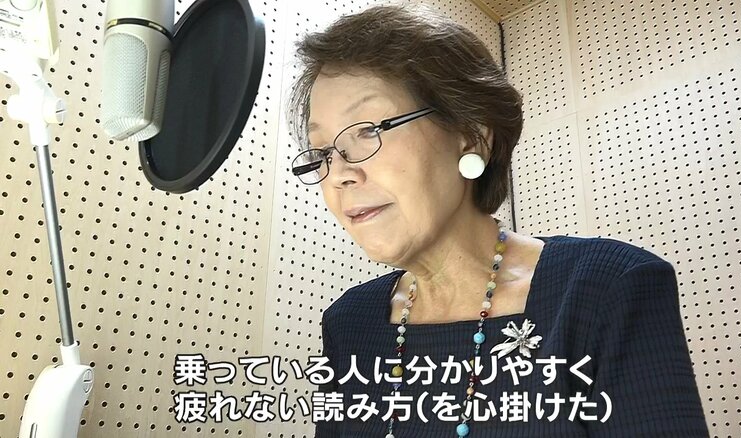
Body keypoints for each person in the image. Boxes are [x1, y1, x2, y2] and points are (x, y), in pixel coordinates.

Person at [287, 5, 708, 437]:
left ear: (471, 135)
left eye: (368, 130)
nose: (338, 174)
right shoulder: (348, 323)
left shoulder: (607, 288)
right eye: (322, 152)